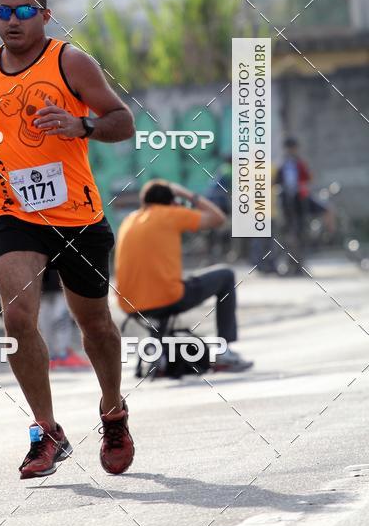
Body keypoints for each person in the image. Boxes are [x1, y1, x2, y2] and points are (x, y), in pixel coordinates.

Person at [0, 0, 136, 479]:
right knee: (18, 321)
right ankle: (45, 430)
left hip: (77, 215)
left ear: (45, 14)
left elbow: (122, 120)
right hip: (12, 212)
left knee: (97, 326)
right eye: (2, 11)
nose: (11, 21)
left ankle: (113, 412)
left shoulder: (70, 61)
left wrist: (81, 124)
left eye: (22, 11)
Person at [115, 179, 253, 372]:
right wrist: (188, 195)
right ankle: (224, 352)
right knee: (226, 275)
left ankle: (160, 355)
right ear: (172, 201)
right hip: (167, 298)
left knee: (164, 288)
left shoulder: (129, 220)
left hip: (128, 304)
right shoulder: (171, 214)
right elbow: (218, 218)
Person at [39, 268, 91, 370]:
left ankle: (53, 355)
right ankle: (61, 354)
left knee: (46, 312)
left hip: (40, 273)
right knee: (60, 314)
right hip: (57, 274)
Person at [275, 137, 312, 271]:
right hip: (286, 203)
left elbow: (307, 178)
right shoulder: (282, 164)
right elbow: (276, 181)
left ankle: (300, 264)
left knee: (301, 231)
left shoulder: (300, 163)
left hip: (299, 202)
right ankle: (290, 263)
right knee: (288, 233)